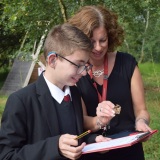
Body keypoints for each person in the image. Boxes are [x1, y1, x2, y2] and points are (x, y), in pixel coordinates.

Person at [0, 23, 109, 160]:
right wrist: (54, 147)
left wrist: (94, 140)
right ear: (52, 60)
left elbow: (75, 136)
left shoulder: (74, 94)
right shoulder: (21, 101)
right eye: (78, 65)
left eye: (86, 66)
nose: (84, 73)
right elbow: (6, 155)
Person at [68, 5, 152, 160]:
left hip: (129, 150)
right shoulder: (74, 72)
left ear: (110, 36)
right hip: (94, 150)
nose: (98, 48)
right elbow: (81, 120)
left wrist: (141, 122)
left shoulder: (127, 64)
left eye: (103, 40)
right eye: (91, 42)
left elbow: (141, 110)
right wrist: (99, 121)